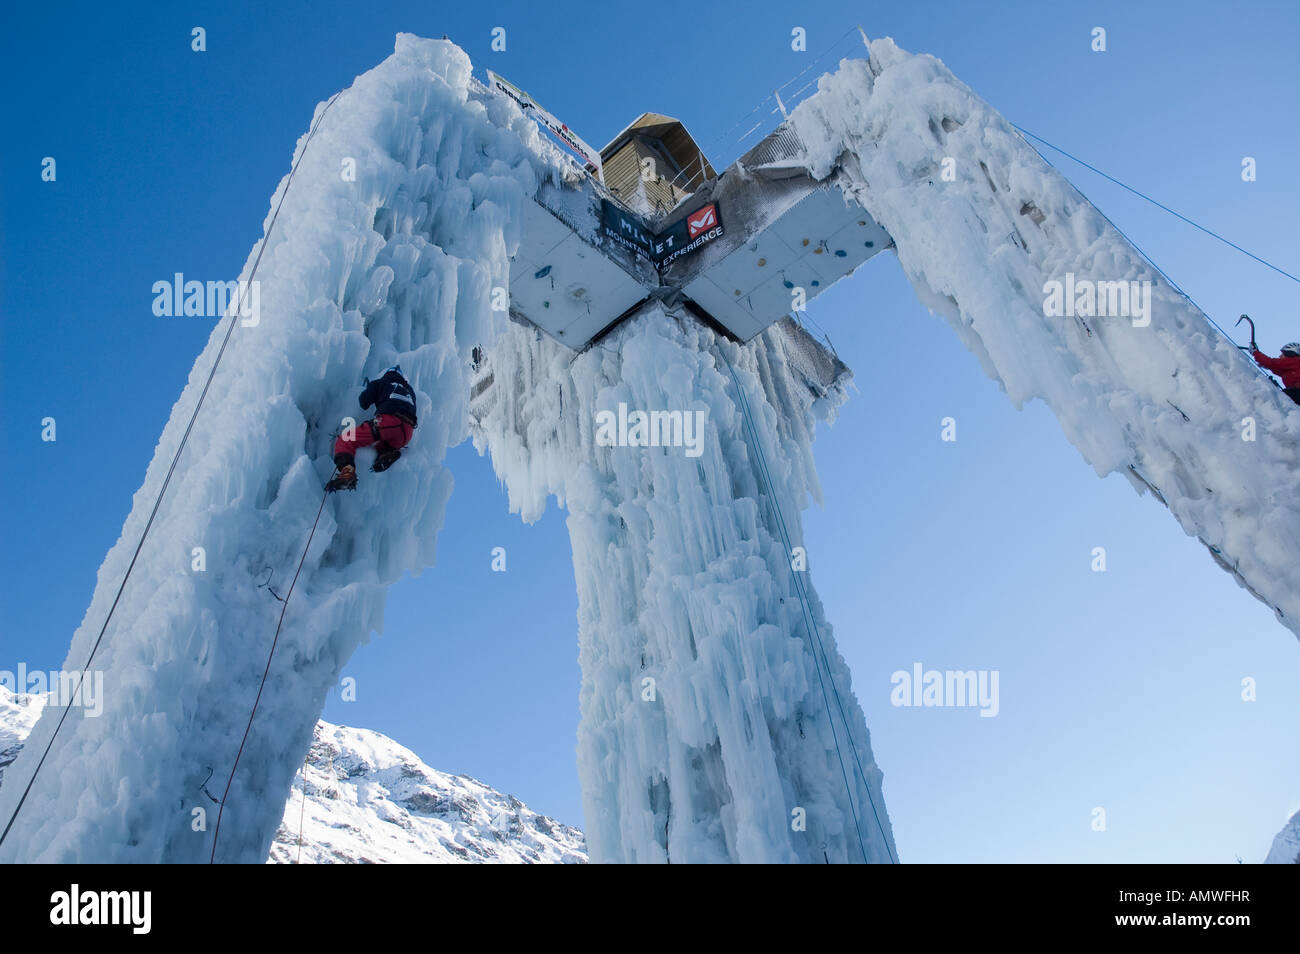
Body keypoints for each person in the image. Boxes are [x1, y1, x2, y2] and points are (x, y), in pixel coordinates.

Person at [327, 365, 418, 491]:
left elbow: (364, 402)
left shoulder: (382, 382)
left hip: (388, 421)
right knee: (377, 448)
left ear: (387, 374)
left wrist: (372, 390)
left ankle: (347, 473)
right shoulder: (410, 391)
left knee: (346, 439)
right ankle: (387, 453)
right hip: (407, 432)